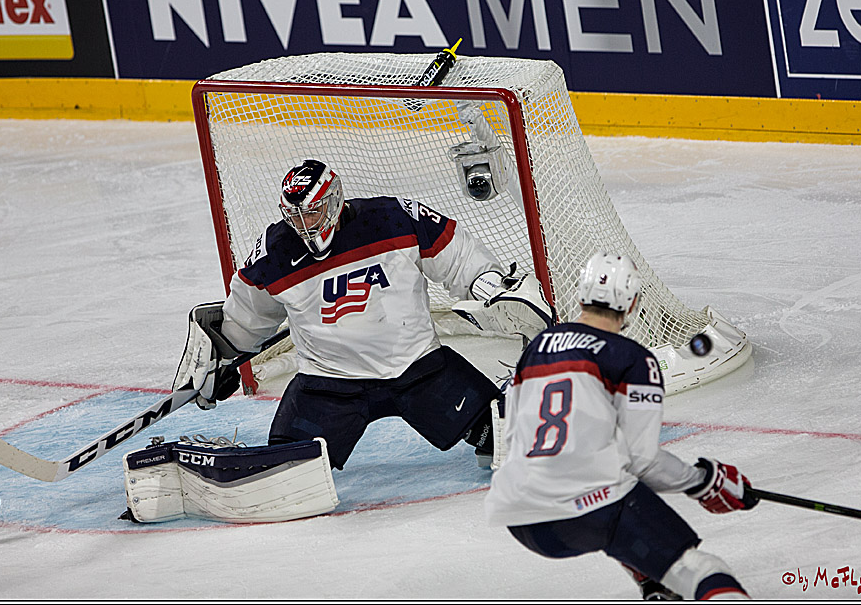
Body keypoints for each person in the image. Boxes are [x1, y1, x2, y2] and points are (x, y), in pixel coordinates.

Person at [171, 158, 553, 471]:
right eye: (297, 216)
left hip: (420, 370)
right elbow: (246, 317)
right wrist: (225, 355)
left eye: (315, 212)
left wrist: (488, 283)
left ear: (334, 200)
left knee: (506, 433)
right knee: (287, 470)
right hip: (328, 387)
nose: (306, 225)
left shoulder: (391, 218)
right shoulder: (274, 253)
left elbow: (459, 257)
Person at [485, 251, 757, 600]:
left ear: (581, 296)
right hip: (584, 506)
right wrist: (705, 480)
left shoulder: (536, 348)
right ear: (632, 305)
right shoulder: (632, 359)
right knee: (699, 569)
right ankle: (664, 573)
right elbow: (641, 460)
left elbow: (512, 435)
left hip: (518, 511)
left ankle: (653, 581)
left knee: (621, 509)